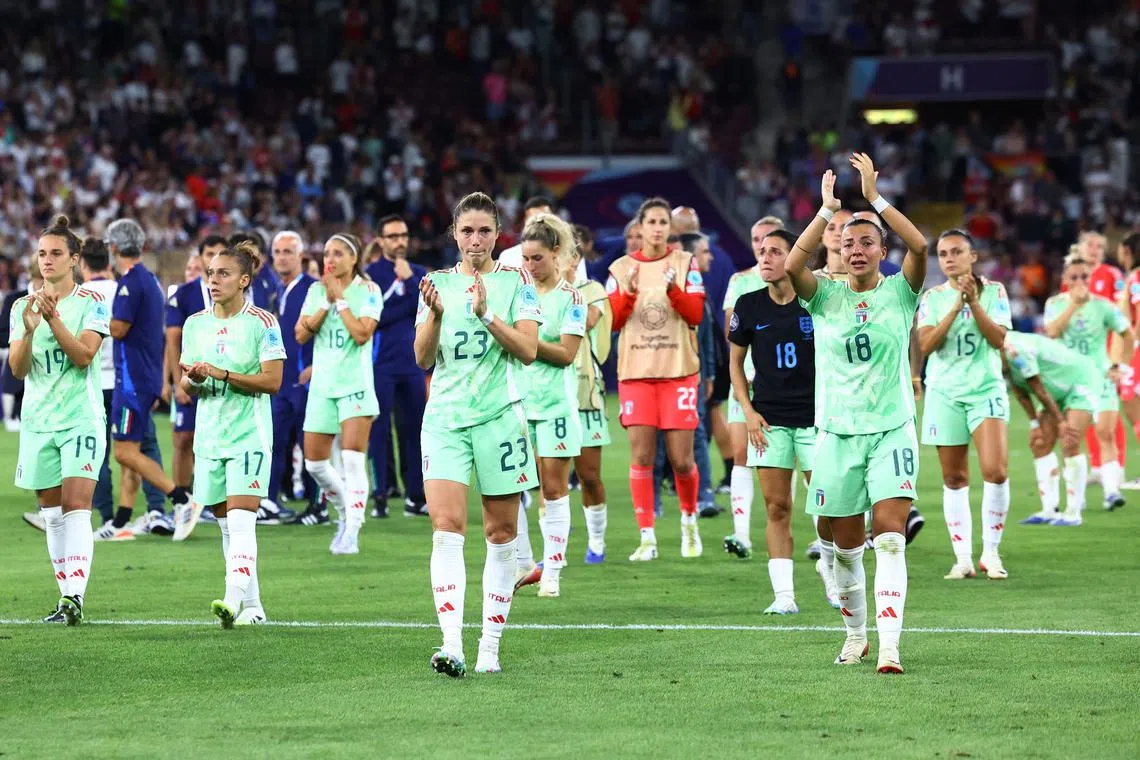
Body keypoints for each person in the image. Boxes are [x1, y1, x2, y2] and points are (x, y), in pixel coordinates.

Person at [785, 155, 928, 674]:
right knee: (844, 548)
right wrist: (826, 213)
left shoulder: (901, 292)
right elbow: (791, 266)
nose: (857, 249)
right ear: (839, 253)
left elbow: (920, 246)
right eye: (849, 244)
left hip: (892, 429)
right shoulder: (823, 297)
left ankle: (889, 646)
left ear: (881, 250)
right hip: (838, 434)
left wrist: (875, 199)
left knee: (889, 535)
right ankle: (855, 634)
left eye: (867, 242)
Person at [415, 191, 541, 677]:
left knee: (500, 532)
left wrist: (489, 315)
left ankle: (490, 646)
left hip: (500, 418)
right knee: (446, 530)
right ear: (454, 234)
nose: (475, 239)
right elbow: (423, 358)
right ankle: (452, 645)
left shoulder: (516, 283)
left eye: (484, 230)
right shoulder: (435, 285)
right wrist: (439, 316)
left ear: (497, 234)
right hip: (445, 418)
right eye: (467, 230)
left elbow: (529, 349)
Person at [728, 228, 835, 613]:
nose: (765, 258)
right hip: (769, 421)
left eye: (775, 252)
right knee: (777, 508)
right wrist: (749, 411)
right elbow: (735, 365)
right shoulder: (748, 305)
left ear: (794, 259)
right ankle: (784, 597)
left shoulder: (816, 303)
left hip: (815, 420)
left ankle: (829, 565)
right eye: (762, 251)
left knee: (827, 505)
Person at [179, 241, 286, 626]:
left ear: (244, 280)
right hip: (210, 437)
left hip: (249, 435)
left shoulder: (262, 322)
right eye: (210, 273)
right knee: (227, 525)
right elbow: (183, 390)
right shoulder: (195, 324)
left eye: (223, 274)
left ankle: (230, 599)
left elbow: (273, 381)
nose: (213, 280)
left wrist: (223, 373)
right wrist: (192, 380)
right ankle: (254, 607)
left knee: (241, 521)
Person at [11, 215, 110, 624]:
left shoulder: (92, 302)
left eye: (55, 254)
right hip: (38, 421)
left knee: (75, 508)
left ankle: (75, 597)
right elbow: (17, 369)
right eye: (41, 254)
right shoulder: (22, 305)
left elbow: (85, 356)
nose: (46, 261)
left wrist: (54, 319)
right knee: (51, 514)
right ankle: (65, 594)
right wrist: (31, 329)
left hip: (80, 419)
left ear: (74, 259)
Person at [608, 197, 706, 560]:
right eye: (651, 222)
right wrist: (629, 294)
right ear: (641, 227)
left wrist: (673, 291)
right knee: (643, 455)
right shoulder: (620, 269)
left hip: (677, 371)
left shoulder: (684, 263)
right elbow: (612, 322)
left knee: (682, 459)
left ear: (670, 228)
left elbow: (695, 313)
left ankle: (689, 523)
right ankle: (647, 537)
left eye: (664, 222)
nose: (658, 228)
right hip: (636, 372)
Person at [917, 230, 1012, 581]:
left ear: (973, 255)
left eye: (957, 251)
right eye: (943, 254)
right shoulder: (933, 297)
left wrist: (973, 302)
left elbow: (999, 338)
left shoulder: (995, 291)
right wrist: (957, 304)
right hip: (944, 392)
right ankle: (963, 557)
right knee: (954, 477)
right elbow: (925, 344)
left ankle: (991, 551)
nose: (949, 259)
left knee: (995, 470)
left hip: (985, 387)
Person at [107, 218, 197, 539]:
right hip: (142, 377)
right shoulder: (149, 280)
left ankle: (181, 498)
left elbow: (118, 328)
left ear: (114, 247)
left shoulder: (130, 282)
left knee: (124, 452)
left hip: (131, 380)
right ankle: (121, 521)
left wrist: (94, 319)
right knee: (133, 450)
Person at [513, 213, 585, 598]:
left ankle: (553, 571)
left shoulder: (572, 298)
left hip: (555, 405)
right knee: (513, 485)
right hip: (517, 405)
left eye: (536, 258)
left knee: (554, 489)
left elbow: (567, 354)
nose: (530, 266)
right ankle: (525, 563)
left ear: (556, 253)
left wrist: (523, 342)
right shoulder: (517, 293)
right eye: (525, 258)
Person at [297, 232, 382, 555]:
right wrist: (327, 304)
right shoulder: (316, 290)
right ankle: (346, 513)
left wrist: (342, 301)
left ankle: (353, 530)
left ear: (354, 259)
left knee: (351, 460)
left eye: (337, 254)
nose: (329, 260)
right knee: (315, 465)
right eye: (326, 254)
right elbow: (300, 334)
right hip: (322, 387)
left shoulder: (369, 291)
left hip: (355, 385)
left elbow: (362, 334)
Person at [82, 240, 164, 538]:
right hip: (129, 380)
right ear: (108, 261)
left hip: (96, 384)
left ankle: (109, 517)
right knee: (144, 445)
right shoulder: (123, 288)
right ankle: (157, 509)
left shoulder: (83, 296)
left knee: (101, 453)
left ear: (81, 264)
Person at [1044, 253, 1133, 510]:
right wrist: (1074, 304)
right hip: (1070, 381)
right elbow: (1052, 331)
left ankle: (1111, 492)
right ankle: (1077, 495)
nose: (1080, 281)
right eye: (1074, 277)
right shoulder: (1056, 303)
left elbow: (1126, 333)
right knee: (1072, 439)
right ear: (1065, 279)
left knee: (1106, 433)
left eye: (1084, 276)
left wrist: (1120, 365)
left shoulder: (1103, 305)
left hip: (1100, 375)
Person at [720, 216, 783, 540]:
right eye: (758, 239)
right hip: (745, 379)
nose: (762, 246)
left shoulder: (799, 281)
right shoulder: (740, 281)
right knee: (741, 454)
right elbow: (733, 328)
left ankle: (819, 535)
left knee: (794, 460)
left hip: (785, 384)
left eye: (770, 241)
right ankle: (741, 535)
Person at [365, 214, 428, 518]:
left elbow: (430, 309)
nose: (399, 241)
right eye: (392, 236)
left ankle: (415, 496)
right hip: (380, 365)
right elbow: (375, 319)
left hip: (413, 364)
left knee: (414, 430)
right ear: (380, 240)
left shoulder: (418, 273)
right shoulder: (370, 275)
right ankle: (381, 494)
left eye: (403, 235)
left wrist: (412, 282)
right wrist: (407, 295)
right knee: (378, 432)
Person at [1003, 332, 1100, 526]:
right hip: (1053, 390)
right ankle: (1049, 510)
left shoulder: (1016, 351)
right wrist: (1034, 424)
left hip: (1079, 380)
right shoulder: (989, 352)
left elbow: (1036, 386)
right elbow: (1019, 390)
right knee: (1039, 444)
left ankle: (1074, 512)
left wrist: (1060, 420)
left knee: (1070, 441)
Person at [164, 235, 228, 521]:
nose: (213, 257)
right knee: (182, 439)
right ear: (201, 257)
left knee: (218, 440)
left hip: (223, 382)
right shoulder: (185, 293)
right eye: (209, 253)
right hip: (191, 377)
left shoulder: (233, 295)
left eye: (219, 253)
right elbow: (172, 340)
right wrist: (178, 380)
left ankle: (213, 498)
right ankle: (182, 499)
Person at [265, 231, 319, 524]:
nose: (282, 256)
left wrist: (317, 365)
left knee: (311, 448)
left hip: (305, 381)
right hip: (281, 383)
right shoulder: (278, 291)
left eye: (288, 251)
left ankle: (318, 506)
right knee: (275, 444)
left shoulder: (314, 289)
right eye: (278, 251)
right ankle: (270, 501)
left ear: (300, 256)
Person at [568, 237, 612, 563]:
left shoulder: (593, 290)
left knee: (590, 476)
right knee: (549, 480)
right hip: (547, 395)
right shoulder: (534, 291)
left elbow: (586, 322)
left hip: (586, 394)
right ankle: (554, 553)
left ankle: (596, 541)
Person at [1072, 232, 1127, 483]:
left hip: (1108, 353)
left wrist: (1118, 357)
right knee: (1089, 408)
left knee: (1110, 410)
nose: (1094, 249)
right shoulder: (1072, 277)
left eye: (1099, 246)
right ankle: (1097, 464)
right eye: (1090, 245)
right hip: (1083, 356)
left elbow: (1122, 316)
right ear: (1080, 248)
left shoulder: (1112, 276)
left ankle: (1117, 464)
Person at [498, 196, 587, 284]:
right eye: (533, 221)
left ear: (554, 220)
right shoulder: (508, 256)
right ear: (525, 223)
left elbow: (582, 288)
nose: (538, 226)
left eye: (543, 220)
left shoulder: (572, 255)